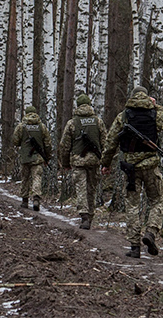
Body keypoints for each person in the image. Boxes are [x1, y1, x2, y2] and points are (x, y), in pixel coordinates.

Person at [101, 85, 163, 259]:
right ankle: (151, 232)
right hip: (151, 166)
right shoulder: (155, 114)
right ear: (147, 98)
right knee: (157, 200)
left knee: (132, 205)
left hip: (131, 168)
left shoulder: (123, 116)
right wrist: (156, 106)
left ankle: (134, 246)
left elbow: (111, 141)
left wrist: (106, 163)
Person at [59, 93, 106, 230]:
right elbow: (105, 142)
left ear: (78, 106)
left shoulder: (72, 123)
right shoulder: (98, 121)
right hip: (94, 161)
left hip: (78, 161)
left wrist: (65, 163)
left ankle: (84, 216)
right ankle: (90, 216)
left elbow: (65, 146)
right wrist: (105, 161)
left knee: (81, 189)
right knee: (91, 189)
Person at [11, 105, 52, 211]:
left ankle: (24, 201)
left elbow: (15, 141)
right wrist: (47, 157)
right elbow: (47, 143)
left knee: (25, 178)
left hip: (25, 157)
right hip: (38, 158)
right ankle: (36, 199)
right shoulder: (41, 126)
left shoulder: (21, 126)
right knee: (37, 178)